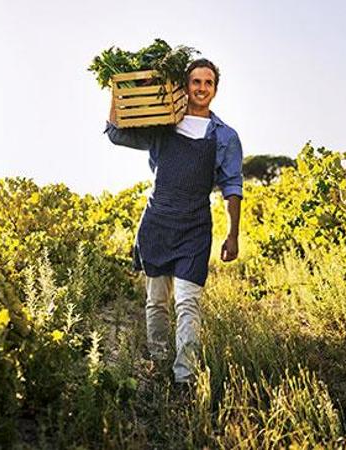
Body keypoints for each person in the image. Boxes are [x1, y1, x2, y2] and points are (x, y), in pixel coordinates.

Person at [104, 58, 243, 384]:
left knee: (188, 304)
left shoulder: (225, 137)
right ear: (185, 85)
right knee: (156, 302)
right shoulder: (163, 124)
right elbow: (116, 134)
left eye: (208, 83)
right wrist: (117, 91)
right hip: (158, 223)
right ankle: (159, 361)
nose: (202, 88)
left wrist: (233, 234)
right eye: (196, 81)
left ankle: (185, 377)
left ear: (215, 90)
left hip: (195, 228)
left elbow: (232, 187)